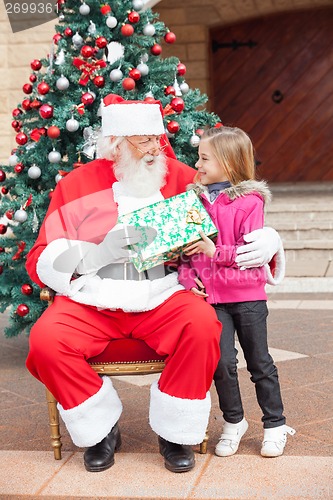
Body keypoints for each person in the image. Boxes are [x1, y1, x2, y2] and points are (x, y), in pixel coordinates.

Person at [25, 95, 283, 473]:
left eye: (157, 138)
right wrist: (96, 255)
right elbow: (39, 260)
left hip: (164, 293)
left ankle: (175, 431)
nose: (156, 147)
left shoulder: (179, 175)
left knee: (202, 326)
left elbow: (237, 198)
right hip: (93, 299)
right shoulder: (77, 185)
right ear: (116, 142)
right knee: (46, 342)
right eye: (143, 139)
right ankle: (100, 430)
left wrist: (270, 238)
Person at [178, 126, 295, 459]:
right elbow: (185, 252)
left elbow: (249, 255)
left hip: (247, 296)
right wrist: (189, 281)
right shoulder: (193, 200)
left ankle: (274, 425)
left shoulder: (250, 202)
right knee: (221, 363)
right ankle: (234, 423)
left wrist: (214, 252)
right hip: (212, 301)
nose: (197, 164)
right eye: (198, 157)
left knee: (259, 362)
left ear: (228, 164)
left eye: (204, 158)